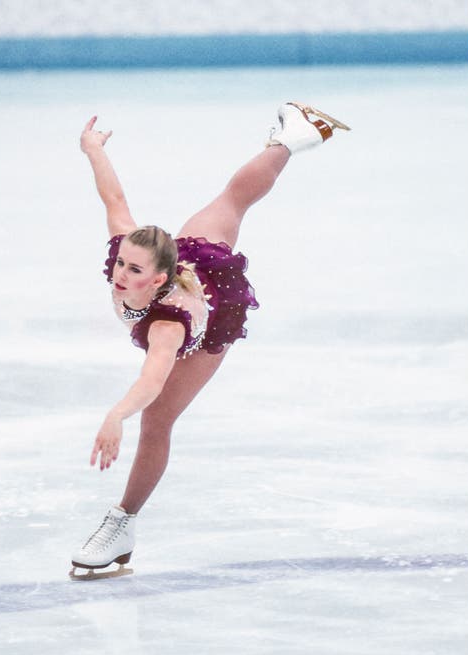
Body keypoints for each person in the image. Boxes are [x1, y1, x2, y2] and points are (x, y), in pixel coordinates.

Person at [68, 103, 349, 580]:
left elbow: (153, 380)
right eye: (120, 264)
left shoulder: (168, 324)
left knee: (156, 420)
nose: (119, 275)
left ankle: (122, 523)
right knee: (233, 198)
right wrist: (92, 149)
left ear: (158, 279)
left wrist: (117, 415)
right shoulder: (132, 252)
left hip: (213, 313)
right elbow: (113, 200)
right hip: (195, 260)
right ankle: (298, 134)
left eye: (132, 271)